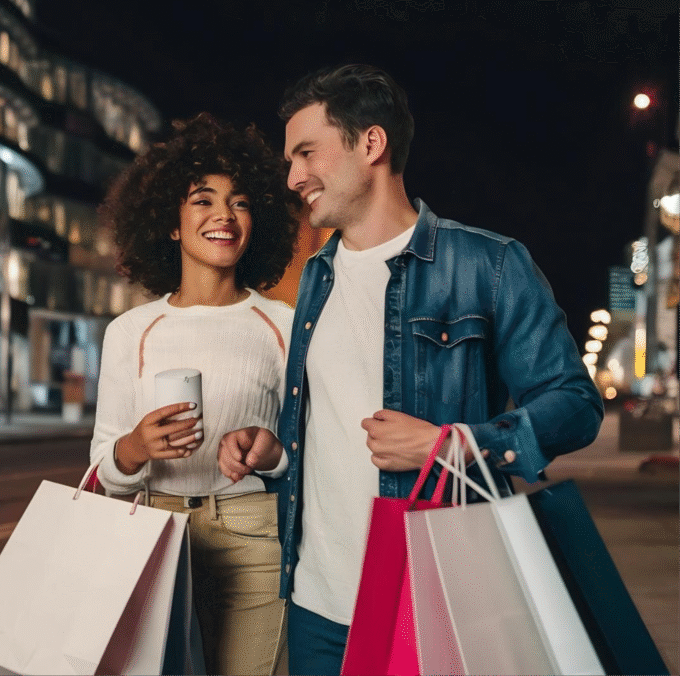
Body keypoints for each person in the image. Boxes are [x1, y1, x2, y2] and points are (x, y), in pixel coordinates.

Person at [217, 64, 604, 674]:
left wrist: (454, 445)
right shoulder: (316, 278)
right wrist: (277, 452)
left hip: (432, 591)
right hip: (316, 603)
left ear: (371, 143)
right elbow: (334, 425)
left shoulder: (489, 264)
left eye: (306, 153)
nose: (292, 177)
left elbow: (575, 405)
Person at [90, 113, 299, 675]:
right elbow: (103, 468)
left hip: (254, 543)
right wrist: (135, 447)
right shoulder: (130, 331)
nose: (224, 216)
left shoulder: (283, 323)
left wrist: (271, 452)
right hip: (154, 537)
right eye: (203, 201)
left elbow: (313, 453)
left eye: (241, 202)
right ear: (172, 223)